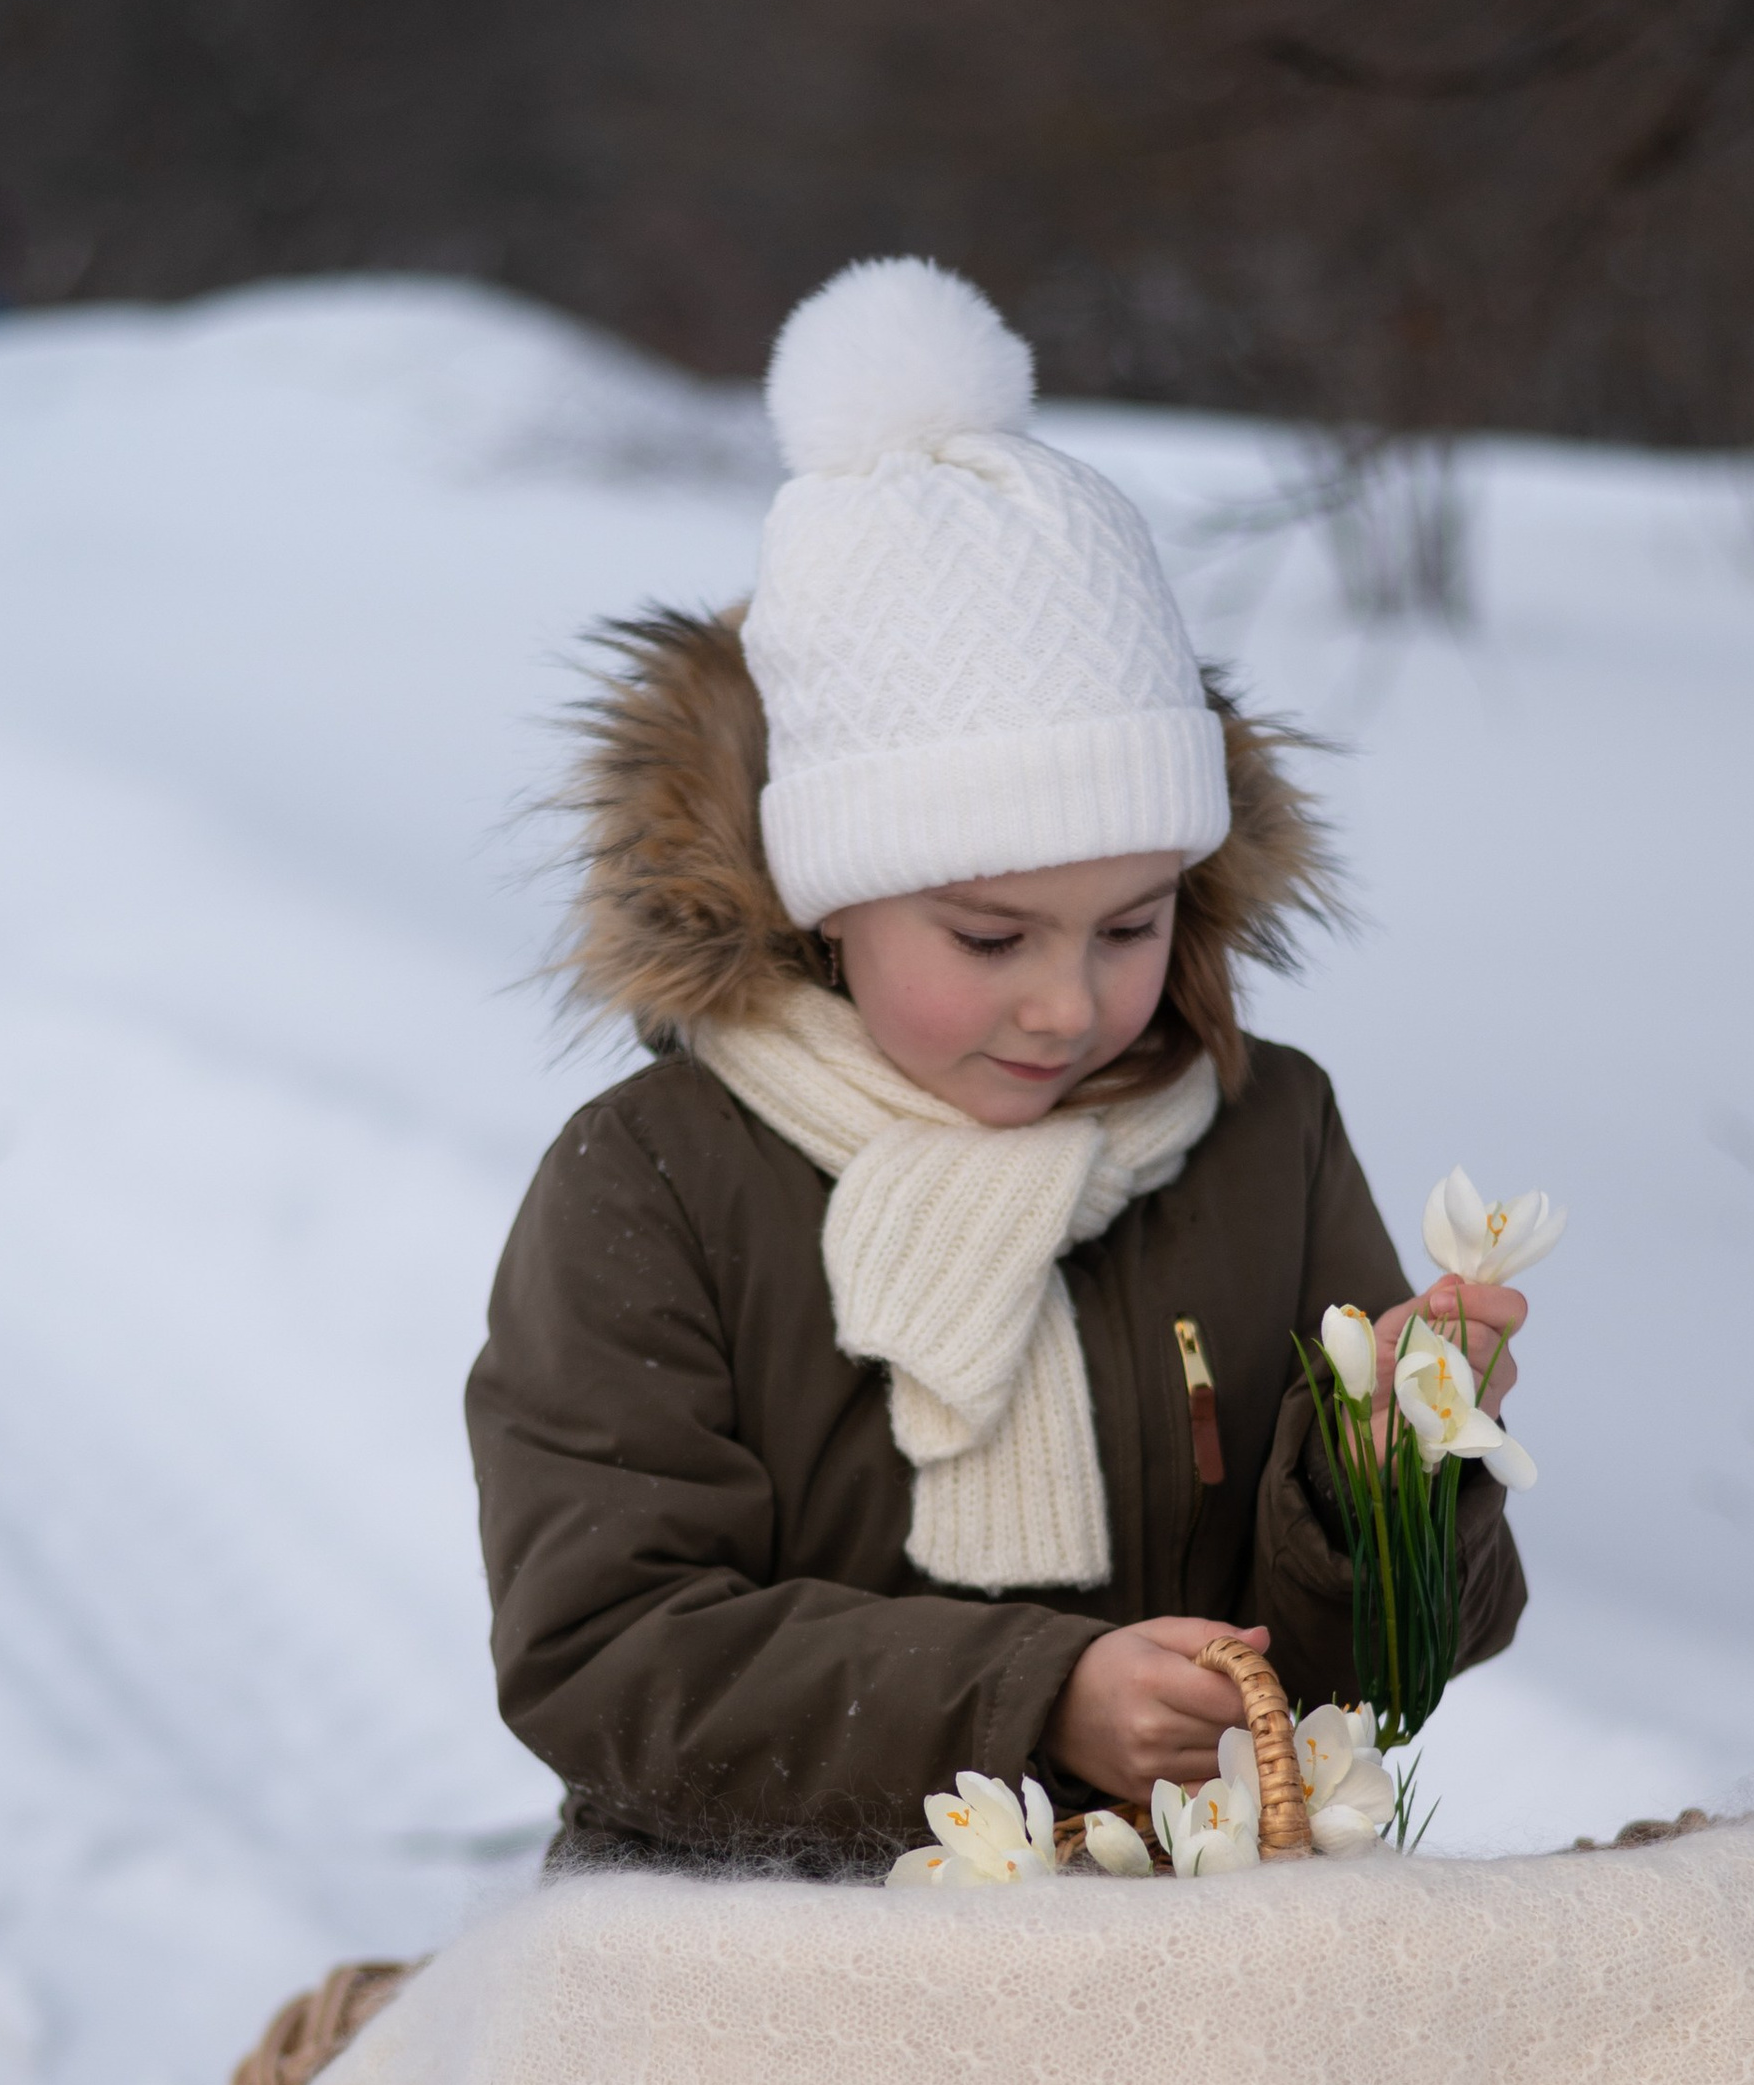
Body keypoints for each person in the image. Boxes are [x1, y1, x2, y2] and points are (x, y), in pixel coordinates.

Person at [467, 257, 1529, 1873]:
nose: (1068, 1005)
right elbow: (605, 1648)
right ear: (827, 899)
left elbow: (1391, 1670)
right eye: (989, 938)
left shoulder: (1263, 1135)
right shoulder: (660, 1180)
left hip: (1174, 1936)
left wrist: (1391, 1485)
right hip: (749, 1959)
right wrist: (1035, 1703)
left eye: (1134, 923)